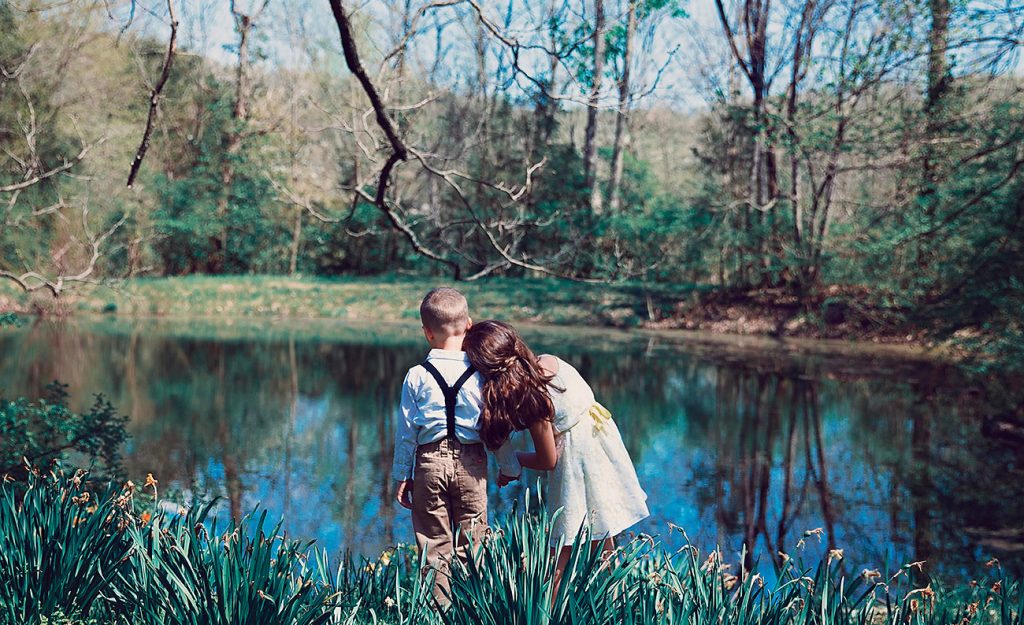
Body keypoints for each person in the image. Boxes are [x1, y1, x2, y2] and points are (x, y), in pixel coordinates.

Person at [463, 319, 649, 592]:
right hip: (602, 443)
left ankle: (545, 609)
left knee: (563, 544)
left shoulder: (534, 399)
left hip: (578, 457)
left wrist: (514, 462)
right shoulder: (550, 362)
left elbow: (547, 460)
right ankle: (613, 600)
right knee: (602, 531)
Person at [391, 289, 520, 602]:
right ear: (469, 325)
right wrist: (508, 466)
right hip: (471, 464)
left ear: (427, 332)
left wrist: (402, 474)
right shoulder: (482, 374)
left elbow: (407, 430)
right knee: (473, 543)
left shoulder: (417, 375)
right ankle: (471, 609)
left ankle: (439, 613)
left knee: (434, 544)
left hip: (428, 463)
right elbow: (495, 426)